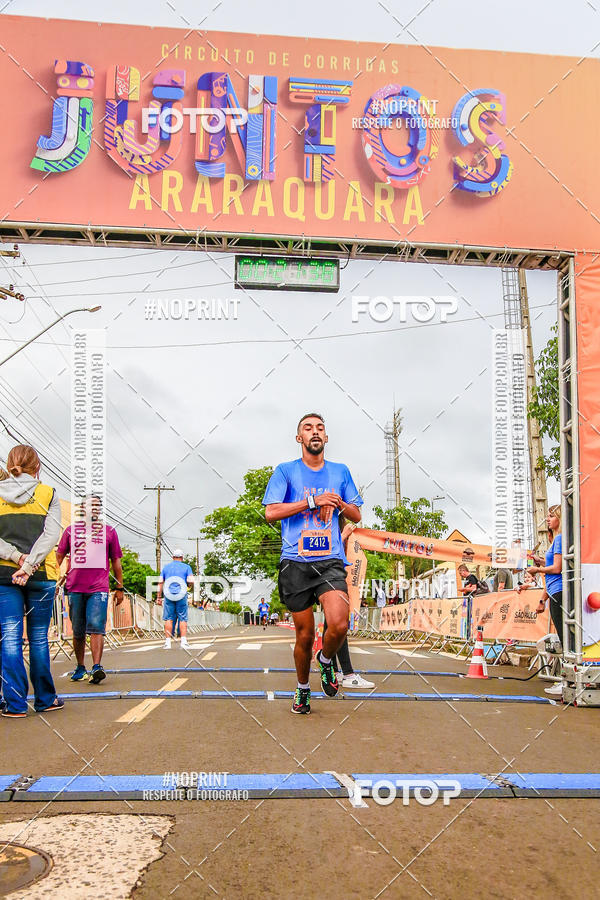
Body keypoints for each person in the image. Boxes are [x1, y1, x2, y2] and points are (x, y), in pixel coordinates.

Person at [263, 413, 362, 714]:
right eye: (308, 428)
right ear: (300, 438)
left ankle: (326, 660)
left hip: (329, 559)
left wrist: (338, 502)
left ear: (326, 437)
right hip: (295, 562)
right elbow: (271, 513)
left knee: (340, 623)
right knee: (304, 636)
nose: (315, 432)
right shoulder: (286, 471)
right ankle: (303, 688)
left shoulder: (340, 472)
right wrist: (312, 502)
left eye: (320, 428)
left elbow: (356, 514)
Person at [0, 445, 62, 716]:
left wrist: (16, 558)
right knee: (38, 638)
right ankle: (45, 700)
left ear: (10, 465)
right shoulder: (48, 493)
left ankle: (15, 705)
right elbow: (51, 536)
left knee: (10, 639)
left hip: (4, 576)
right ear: (37, 468)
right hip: (41, 575)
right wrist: (29, 565)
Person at [56, 494, 123, 684]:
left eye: (97, 506)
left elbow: (116, 562)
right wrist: (54, 579)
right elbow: (59, 556)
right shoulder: (70, 532)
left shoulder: (109, 532)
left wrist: (119, 587)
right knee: (77, 631)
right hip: (75, 588)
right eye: (89, 505)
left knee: (96, 627)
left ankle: (96, 666)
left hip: (99, 588)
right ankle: (80, 667)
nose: (93, 509)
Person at [528, 505, 563, 696]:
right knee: (563, 636)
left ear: (559, 518)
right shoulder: (557, 539)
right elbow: (553, 565)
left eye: (551, 516)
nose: (547, 519)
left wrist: (538, 569)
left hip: (558, 590)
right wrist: (541, 562)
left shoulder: (559, 539)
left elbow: (557, 568)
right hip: (554, 590)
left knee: (564, 637)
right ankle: (565, 679)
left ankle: (566, 679)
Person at [157, 549, 194, 649]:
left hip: (168, 595)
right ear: (182, 558)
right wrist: (188, 586)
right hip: (181, 594)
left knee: (168, 618)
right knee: (182, 618)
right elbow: (191, 580)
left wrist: (158, 597)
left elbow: (160, 582)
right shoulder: (187, 567)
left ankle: (167, 643)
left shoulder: (166, 567)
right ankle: (183, 642)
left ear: (173, 557)